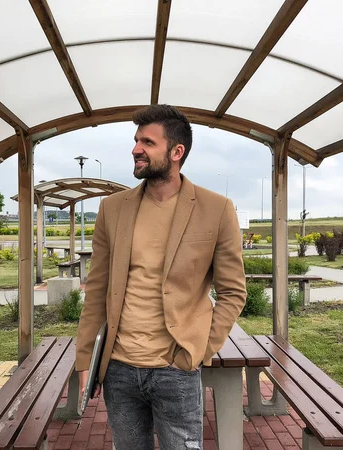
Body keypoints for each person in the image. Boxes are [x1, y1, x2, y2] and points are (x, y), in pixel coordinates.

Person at [75, 104, 246, 450]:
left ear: (176, 152)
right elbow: (97, 289)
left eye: (148, 142)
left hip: (177, 368)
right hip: (119, 368)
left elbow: (233, 292)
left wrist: (198, 350)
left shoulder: (217, 209)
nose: (136, 149)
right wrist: (85, 361)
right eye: (137, 140)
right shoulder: (113, 209)